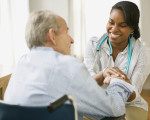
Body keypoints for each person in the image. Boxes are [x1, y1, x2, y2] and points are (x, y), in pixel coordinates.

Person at [4, 10, 134, 120]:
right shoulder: (68, 65)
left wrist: (99, 76)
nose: (72, 40)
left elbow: (71, 89)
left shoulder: (22, 63)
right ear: (52, 36)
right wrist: (118, 82)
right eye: (66, 32)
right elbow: (114, 110)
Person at [84, 1, 150, 120]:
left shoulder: (143, 52)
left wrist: (120, 83)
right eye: (111, 22)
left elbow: (134, 95)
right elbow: (87, 84)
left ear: (132, 28)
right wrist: (103, 74)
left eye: (122, 25)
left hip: (130, 106)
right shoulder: (93, 44)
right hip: (98, 103)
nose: (114, 29)